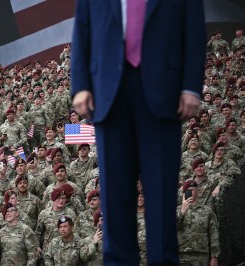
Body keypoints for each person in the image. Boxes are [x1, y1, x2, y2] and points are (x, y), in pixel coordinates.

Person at [71, 0, 206, 264]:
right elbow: (83, 29)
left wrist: (191, 85)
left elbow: (193, 30)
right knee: (114, 195)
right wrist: (80, 84)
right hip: (108, 92)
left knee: (161, 194)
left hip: (163, 89)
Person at [177, 180, 220, 265]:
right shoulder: (177, 210)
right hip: (181, 254)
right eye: (187, 191)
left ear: (198, 191)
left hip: (201, 255)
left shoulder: (207, 211)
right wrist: (182, 212)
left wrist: (214, 257)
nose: (190, 192)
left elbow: (213, 234)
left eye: (192, 190)